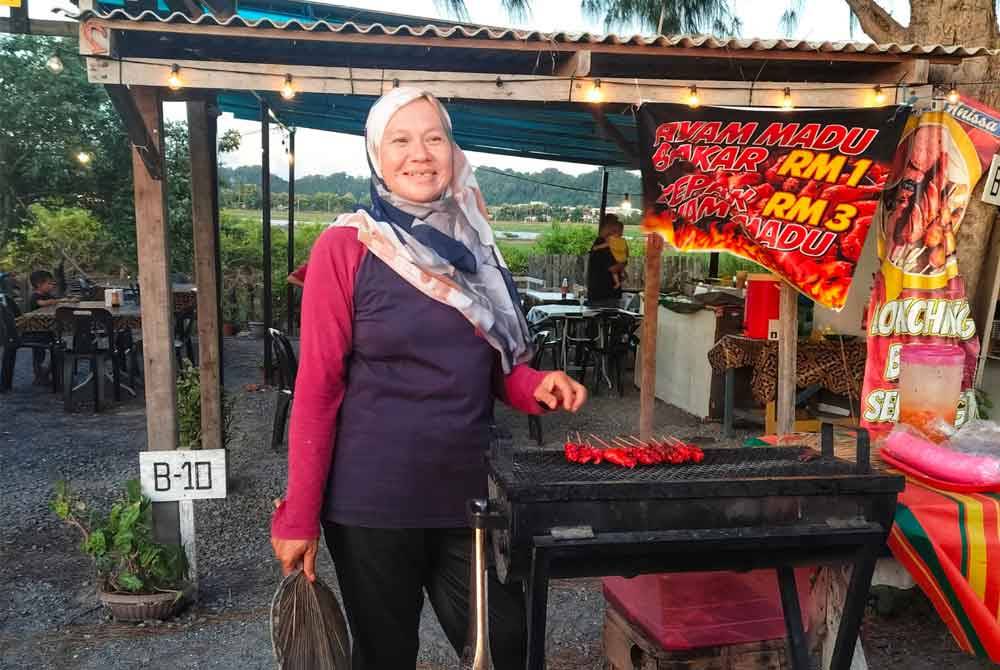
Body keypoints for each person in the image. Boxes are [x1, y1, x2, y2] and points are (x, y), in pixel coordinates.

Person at [270, 88, 587, 670]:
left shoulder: (474, 245)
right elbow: (317, 389)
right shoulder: (348, 247)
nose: (419, 154)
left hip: (468, 498)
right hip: (370, 505)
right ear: (376, 154)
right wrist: (298, 516)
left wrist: (532, 385)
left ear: (452, 149)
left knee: (508, 647)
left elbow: (495, 368)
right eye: (401, 139)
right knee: (386, 657)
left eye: (434, 138)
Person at [586, 214, 626, 307]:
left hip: (605, 296)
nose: (616, 232)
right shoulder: (603, 244)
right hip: (603, 297)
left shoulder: (607, 243)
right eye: (614, 227)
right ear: (607, 227)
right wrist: (623, 264)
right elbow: (613, 268)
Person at [591, 217, 629, 289]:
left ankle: (620, 278)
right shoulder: (603, 241)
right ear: (606, 227)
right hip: (603, 289)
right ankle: (621, 276)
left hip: (610, 290)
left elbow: (626, 254)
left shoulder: (614, 240)